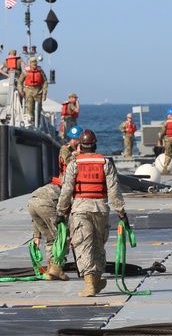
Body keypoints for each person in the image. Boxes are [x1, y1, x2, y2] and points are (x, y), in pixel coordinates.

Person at [56, 128, 128, 297]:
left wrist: (60, 212)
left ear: (80, 145)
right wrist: (122, 213)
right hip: (101, 209)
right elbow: (114, 190)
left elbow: (66, 190)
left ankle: (90, 285)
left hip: (81, 209)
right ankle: (96, 279)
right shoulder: (106, 163)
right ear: (95, 145)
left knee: (83, 246)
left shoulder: (74, 164)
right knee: (98, 246)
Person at [28, 126, 82, 281]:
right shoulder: (66, 151)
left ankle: (51, 269)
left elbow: (38, 207)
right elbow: (71, 162)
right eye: (76, 139)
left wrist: (36, 235)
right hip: (51, 199)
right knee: (61, 236)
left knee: (51, 238)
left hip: (35, 200)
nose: (77, 141)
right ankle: (57, 268)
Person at [21, 56, 48, 122]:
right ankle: (29, 122)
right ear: (30, 64)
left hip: (38, 91)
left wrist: (44, 93)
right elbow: (20, 81)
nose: (35, 65)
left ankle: (37, 123)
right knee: (30, 107)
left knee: (38, 109)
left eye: (36, 64)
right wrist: (21, 90)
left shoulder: (40, 71)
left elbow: (45, 82)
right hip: (28, 91)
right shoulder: (25, 72)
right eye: (33, 64)